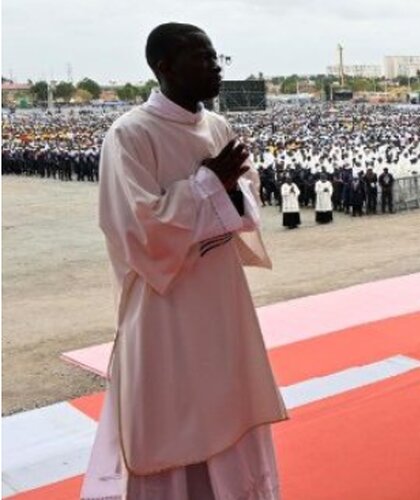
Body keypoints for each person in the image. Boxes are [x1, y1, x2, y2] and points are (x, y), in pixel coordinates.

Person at [81, 22, 286, 500]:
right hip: (166, 302)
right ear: (164, 67)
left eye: (217, 58)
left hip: (219, 290)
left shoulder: (218, 126)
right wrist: (209, 184)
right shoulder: (130, 135)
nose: (215, 67)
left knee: (228, 403)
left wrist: (228, 189)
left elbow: (248, 199)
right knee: (176, 412)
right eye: (202, 58)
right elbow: (136, 229)